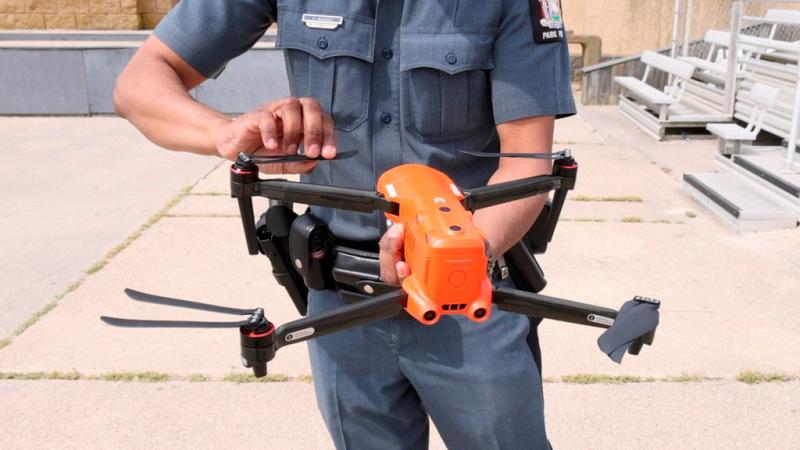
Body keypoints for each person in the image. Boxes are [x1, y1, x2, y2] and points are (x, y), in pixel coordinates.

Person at [114, 1, 575, 448]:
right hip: (341, 306)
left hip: (464, 299)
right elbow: (140, 83)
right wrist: (223, 133)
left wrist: (450, 256)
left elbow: (527, 165)